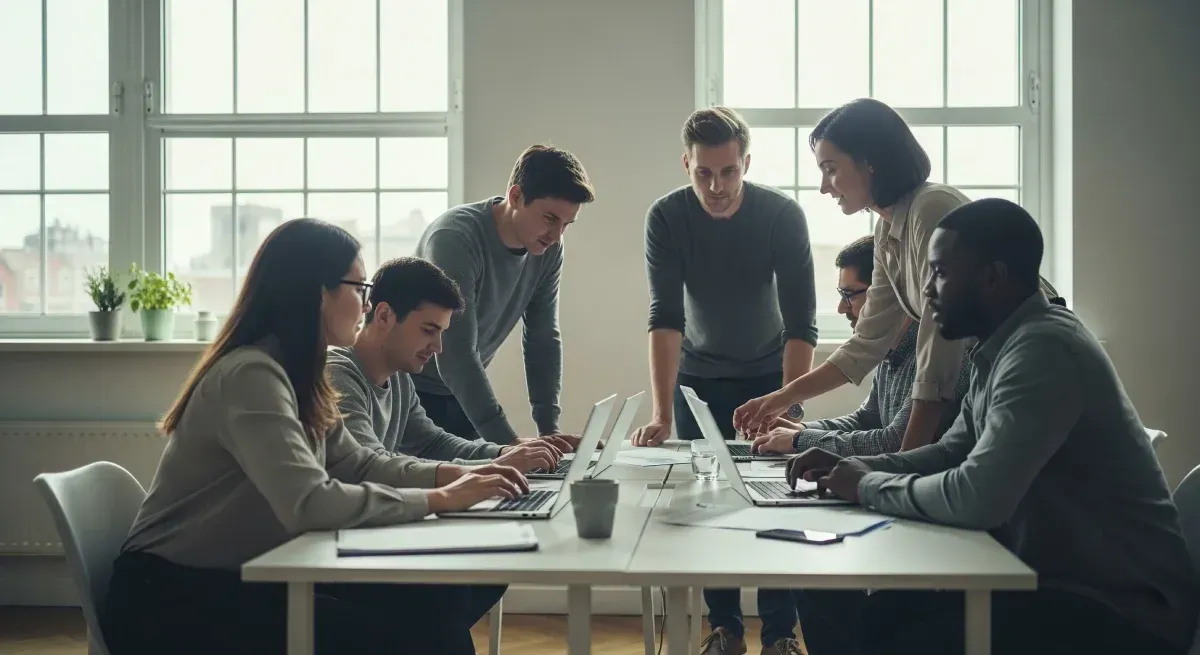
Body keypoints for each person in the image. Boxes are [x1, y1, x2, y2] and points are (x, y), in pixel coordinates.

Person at [787, 199, 1199, 655]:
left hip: (1124, 611)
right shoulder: (998, 347)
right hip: (1058, 580)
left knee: (892, 630)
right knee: (868, 604)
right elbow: (950, 452)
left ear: (993, 277)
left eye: (940, 272)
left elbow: (976, 497)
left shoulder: (1043, 350)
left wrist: (866, 486)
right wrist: (857, 464)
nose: (927, 291)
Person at [100, 218, 528, 655]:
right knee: (414, 633)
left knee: (435, 607)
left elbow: (357, 463)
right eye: (359, 288)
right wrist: (441, 499)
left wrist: (453, 476)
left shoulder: (299, 373)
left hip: (244, 574)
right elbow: (309, 503)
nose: (366, 305)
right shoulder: (251, 374)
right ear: (317, 291)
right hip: (170, 598)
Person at [733, 98, 1057, 450]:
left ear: (869, 162)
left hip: (1023, 353)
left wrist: (901, 463)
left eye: (830, 169)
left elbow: (939, 346)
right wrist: (780, 398)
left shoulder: (931, 208)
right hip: (986, 363)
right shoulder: (888, 228)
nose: (825, 186)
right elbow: (869, 341)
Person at [630, 106, 818, 655]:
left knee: (777, 498)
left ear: (746, 164)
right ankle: (725, 628)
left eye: (728, 172)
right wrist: (664, 413)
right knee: (709, 501)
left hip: (770, 375)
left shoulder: (782, 215)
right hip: (698, 379)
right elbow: (665, 316)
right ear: (686, 163)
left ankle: (781, 632)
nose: (716, 186)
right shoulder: (665, 217)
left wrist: (788, 404)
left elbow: (802, 322)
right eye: (703, 173)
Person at [412, 144, 595, 447]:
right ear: (516, 197)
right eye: (550, 218)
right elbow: (455, 351)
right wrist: (509, 445)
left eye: (566, 224)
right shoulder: (454, 239)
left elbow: (542, 338)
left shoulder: (548, 250)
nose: (556, 236)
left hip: (461, 396)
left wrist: (549, 430)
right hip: (408, 392)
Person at [328, 256, 573, 472]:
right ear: (384, 316)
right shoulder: (337, 375)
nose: (437, 348)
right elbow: (372, 466)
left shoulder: (399, 378)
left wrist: (504, 453)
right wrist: (496, 466)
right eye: (428, 330)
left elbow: (432, 443)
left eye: (441, 333)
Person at [751, 235, 967, 457]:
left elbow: (893, 441)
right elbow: (867, 420)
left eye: (849, 295)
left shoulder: (937, 354)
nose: (841, 309)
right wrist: (801, 430)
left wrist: (799, 441)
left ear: (886, 292)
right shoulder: (889, 348)